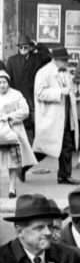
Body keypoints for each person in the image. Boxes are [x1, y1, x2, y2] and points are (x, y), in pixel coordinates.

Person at [33, 46, 79, 184]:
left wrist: (73, 93)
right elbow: (39, 93)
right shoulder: (44, 72)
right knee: (43, 149)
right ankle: (23, 167)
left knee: (67, 146)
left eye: (66, 60)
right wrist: (59, 92)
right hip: (51, 117)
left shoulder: (65, 72)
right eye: (63, 60)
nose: (66, 63)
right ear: (55, 60)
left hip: (64, 115)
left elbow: (69, 89)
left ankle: (64, 175)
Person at [0, 69, 34, 197]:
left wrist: (10, 117)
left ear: (8, 83)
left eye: (4, 82)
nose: (2, 85)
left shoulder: (16, 94)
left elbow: (25, 111)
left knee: (12, 162)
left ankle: (12, 188)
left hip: (12, 133)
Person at [6, 35, 42, 138]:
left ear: (30, 47)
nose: (23, 49)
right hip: (17, 96)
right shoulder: (12, 60)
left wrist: (36, 46)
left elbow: (47, 56)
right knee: (17, 125)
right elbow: (9, 80)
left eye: (25, 47)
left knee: (33, 125)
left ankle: (31, 150)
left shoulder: (36, 59)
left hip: (32, 97)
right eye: (21, 47)